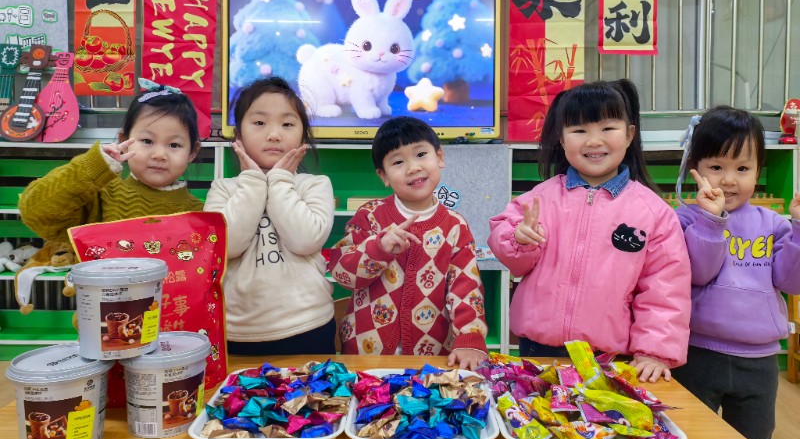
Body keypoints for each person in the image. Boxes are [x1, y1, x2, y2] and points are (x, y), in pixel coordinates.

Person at [488, 80, 691, 382]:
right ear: (561, 138)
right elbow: (510, 253)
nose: (594, 141)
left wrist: (654, 351)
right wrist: (519, 240)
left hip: (609, 357)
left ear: (629, 134)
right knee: (538, 411)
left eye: (607, 128)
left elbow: (665, 289)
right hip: (538, 349)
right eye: (580, 131)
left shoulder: (653, 212)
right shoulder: (540, 198)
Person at [672, 106, 800, 439]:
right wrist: (711, 220)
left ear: (758, 171)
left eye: (742, 168)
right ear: (694, 167)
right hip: (696, 354)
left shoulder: (774, 223)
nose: (729, 180)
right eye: (716, 167)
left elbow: (791, 283)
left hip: (759, 361)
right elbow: (699, 273)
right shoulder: (684, 219)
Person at [329, 116, 488, 370]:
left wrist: (470, 337)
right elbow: (342, 273)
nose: (413, 168)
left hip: (431, 358)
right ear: (383, 175)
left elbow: (465, 286)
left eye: (421, 154)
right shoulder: (370, 215)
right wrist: (378, 248)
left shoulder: (455, 225)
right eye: (398, 162)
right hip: (365, 355)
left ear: (440, 157)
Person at [204, 77, 336, 356]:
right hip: (236, 331)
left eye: (287, 124)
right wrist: (253, 181)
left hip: (308, 325)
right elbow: (227, 246)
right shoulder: (223, 189)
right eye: (259, 123)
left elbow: (305, 240)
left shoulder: (315, 185)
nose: (274, 134)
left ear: (302, 136)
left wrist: (279, 181)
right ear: (238, 136)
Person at [20, 79, 203, 244]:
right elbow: (35, 212)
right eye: (147, 141)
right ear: (124, 140)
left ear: (192, 152)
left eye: (174, 145)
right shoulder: (103, 195)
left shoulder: (200, 214)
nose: (159, 154)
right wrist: (92, 167)